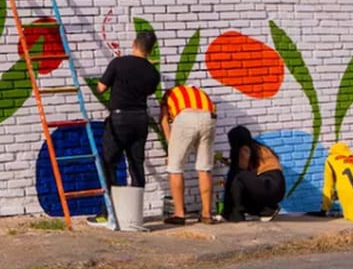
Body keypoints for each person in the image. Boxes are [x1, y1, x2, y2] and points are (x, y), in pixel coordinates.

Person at [89, 30, 161, 224]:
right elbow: (149, 90)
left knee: (108, 162)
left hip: (120, 118)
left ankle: (107, 211)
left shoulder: (119, 63)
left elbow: (101, 88)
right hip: (140, 119)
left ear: (133, 43)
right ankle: (134, 216)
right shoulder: (153, 73)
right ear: (151, 49)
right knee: (136, 164)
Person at [159, 85, 218, 225]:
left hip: (185, 116)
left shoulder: (169, 94)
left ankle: (179, 214)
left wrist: (171, 144)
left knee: (175, 168)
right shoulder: (200, 92)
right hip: (209, 117)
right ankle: (207, 214)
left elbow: (163, 120)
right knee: (204, 168)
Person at [223, 126, 284, 222]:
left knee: (237, 178)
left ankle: (236, 214)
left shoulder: (245, 149)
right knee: (241, 185)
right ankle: (267, 210)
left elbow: (239, 172)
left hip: (269, 183)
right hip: (277, 186)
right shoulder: (258, 147)